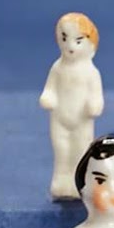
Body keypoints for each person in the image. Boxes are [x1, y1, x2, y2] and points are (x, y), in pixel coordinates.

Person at [39, 12, 106, 200]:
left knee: (80, 151)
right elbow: (50, 88)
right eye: (64, 39)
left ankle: (78, 183)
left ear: (90, 43)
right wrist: (48, 96)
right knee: (61, 151)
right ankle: (60, 183)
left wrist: (95, 104)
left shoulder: (91, 72)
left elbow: (96, 95)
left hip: (81, 121)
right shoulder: (57, 68)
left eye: (78, 41)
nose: (70, 46)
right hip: (59, 119)